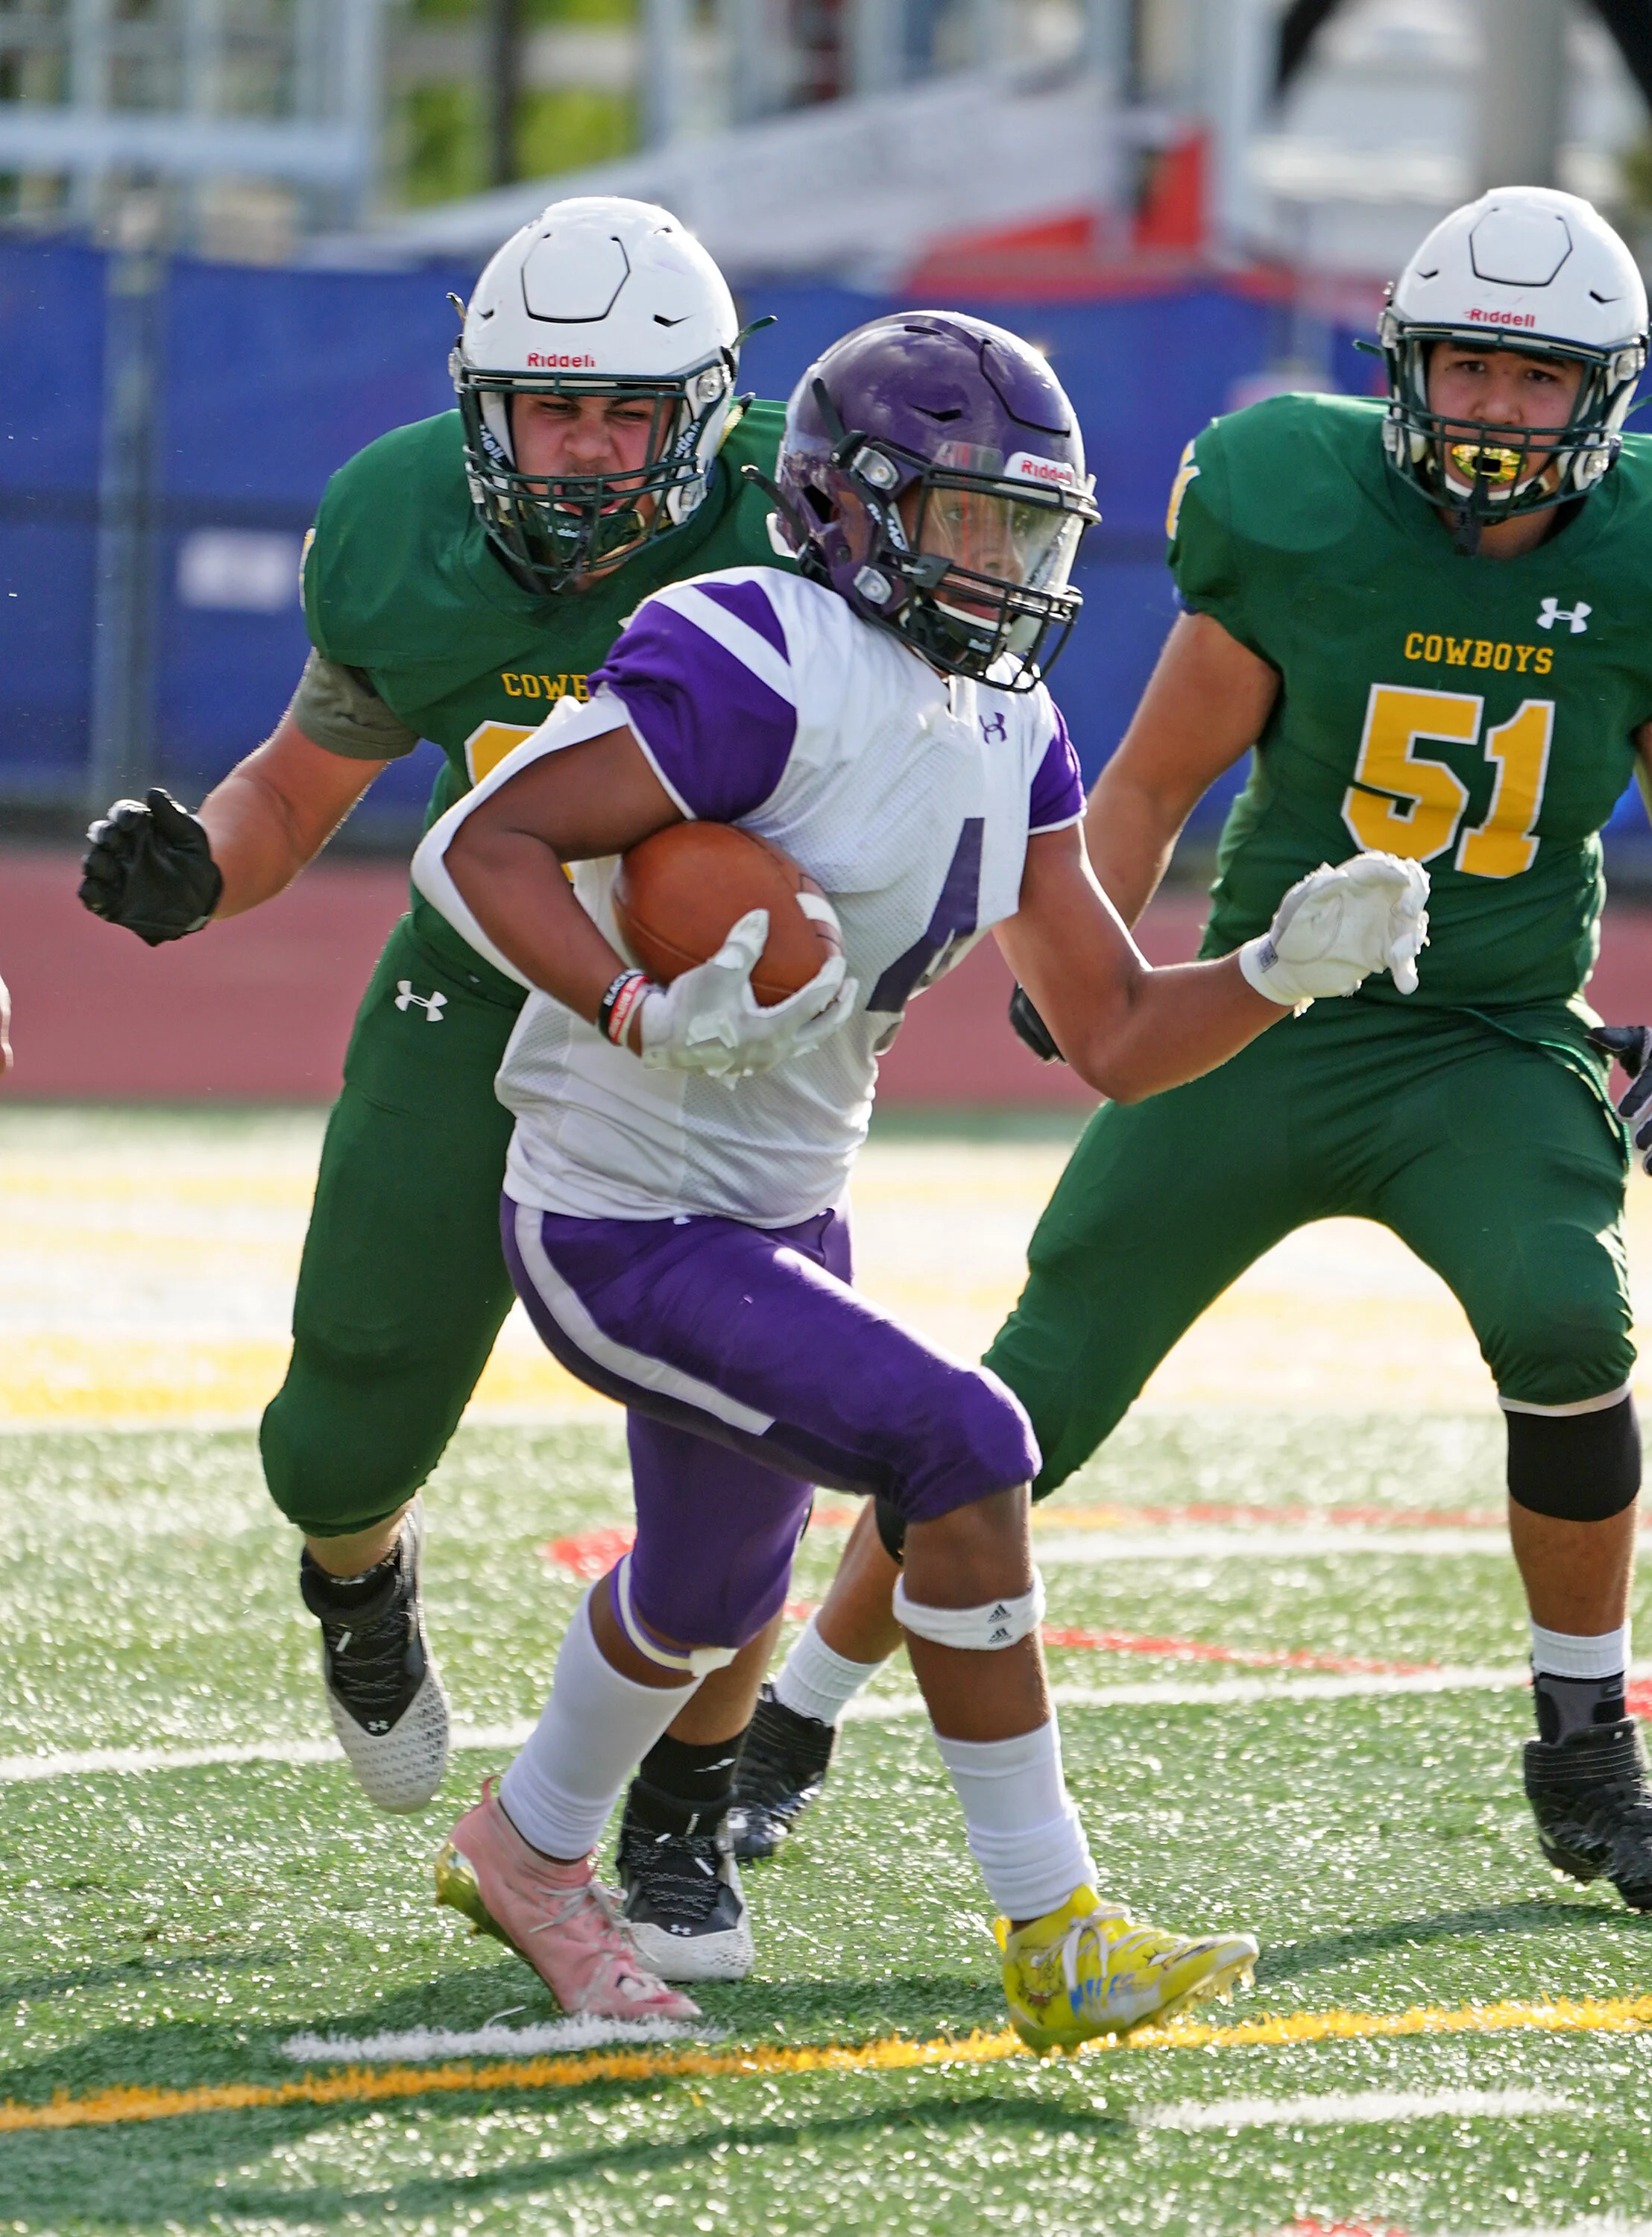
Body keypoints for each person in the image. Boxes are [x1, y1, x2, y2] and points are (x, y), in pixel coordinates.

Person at [408, 309, 1428, 2039]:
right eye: (966, 519)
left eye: (1026, 527)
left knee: (711, 1590)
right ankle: (1057, 1928)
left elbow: (1103, 1027)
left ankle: (523, 1850)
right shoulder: (754, 651)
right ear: (846, 506)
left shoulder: (1007, 724)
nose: (1004, 562)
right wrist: (634, 1003)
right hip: (623, 1206)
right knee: (969, 1444)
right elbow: (476, 842)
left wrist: (1272, 974)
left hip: (784, 1203)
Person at [737, 186, 1652, 1918]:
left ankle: (1584, 1741)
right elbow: (1148, 779)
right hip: (1265, 1011)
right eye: (1466, 371)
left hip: (1487, 1032)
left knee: (1565, 1316)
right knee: (1030, 1386)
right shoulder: (1299, 508)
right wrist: (1086, 946)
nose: (1493, 416)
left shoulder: (1641, 554)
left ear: (1601, 401)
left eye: (1538, 386)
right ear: (1404, 368)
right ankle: (785, 1728)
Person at [75, 198, 803, 1978]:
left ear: (705, 418)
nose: (587, 450)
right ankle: (360, 1577)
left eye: (632, 414)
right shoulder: (400, 521)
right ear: (481, 403)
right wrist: (200, 860)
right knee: (334, 1433)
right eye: (552, 409)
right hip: (482, 990)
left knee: (743, 1443)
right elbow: (295, 793)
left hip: (725, 1026)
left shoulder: (810, 515)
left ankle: (685, 1807)